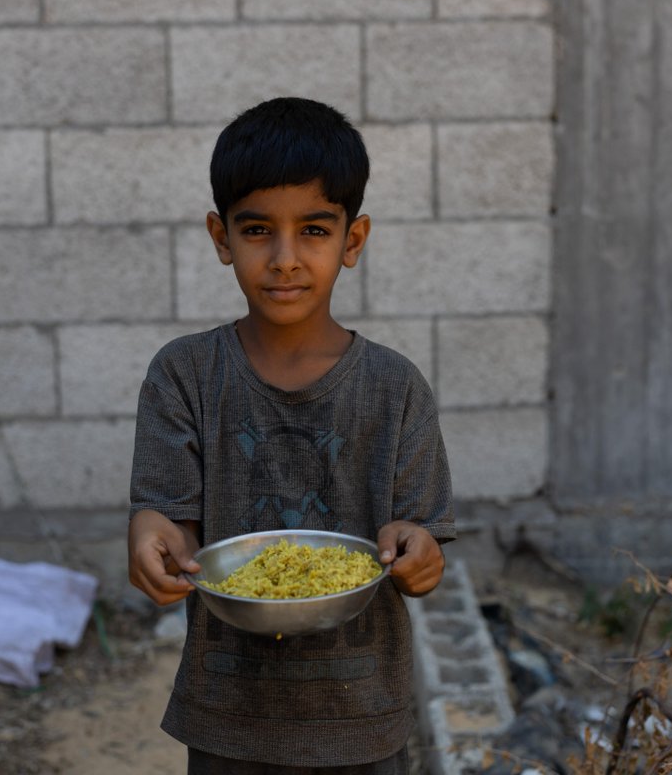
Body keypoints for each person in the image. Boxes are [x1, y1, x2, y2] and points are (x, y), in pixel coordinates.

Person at [127, 96, 454, 774]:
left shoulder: (395, 390)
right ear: (221, 238)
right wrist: (155, 537)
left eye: (312, 230)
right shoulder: (184, 375)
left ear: (352, 240)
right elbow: (175, 526)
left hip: (360, 719)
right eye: (256, 231)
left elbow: (420, 546)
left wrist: (418, 553)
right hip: (229, 718)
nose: (283, 258)